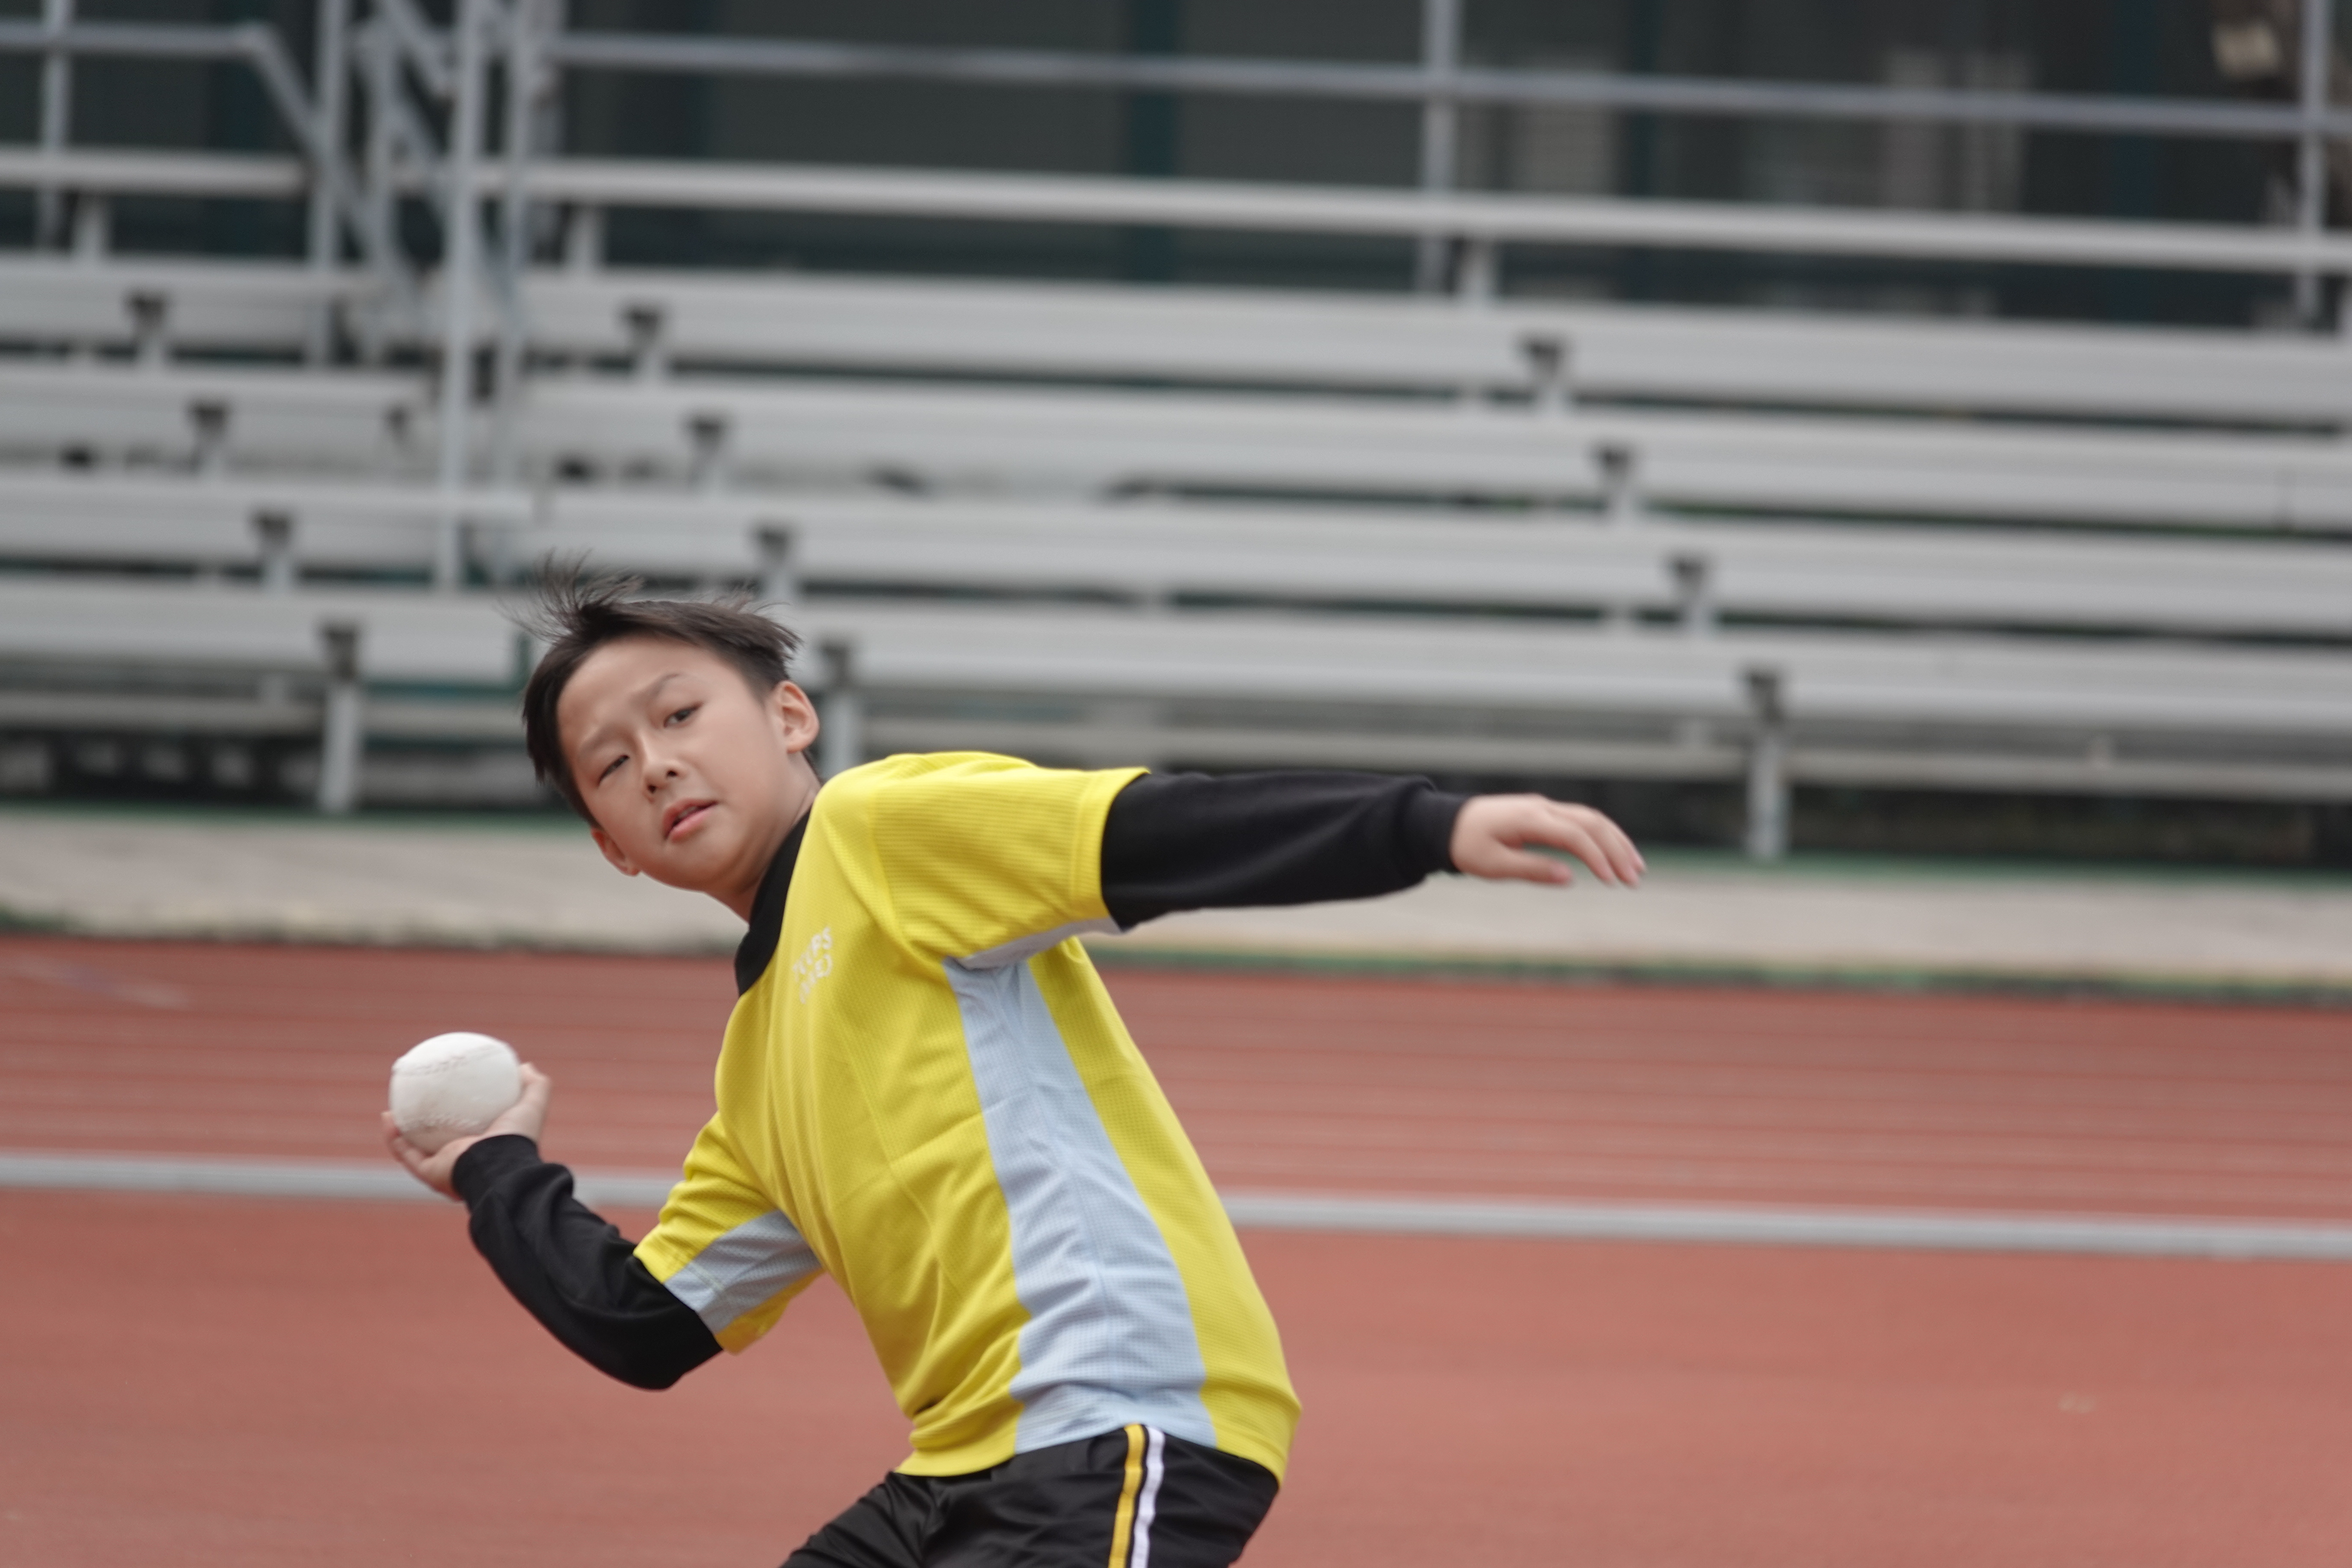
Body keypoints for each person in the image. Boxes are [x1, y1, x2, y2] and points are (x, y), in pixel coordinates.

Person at [383, 578, 1644, 1568]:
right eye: (610, 764)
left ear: (789, 717)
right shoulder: (759, 1069)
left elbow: (1145, 833)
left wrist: (1425, 826)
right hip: (965, 1467)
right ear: (613, 846)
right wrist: (498, 1171)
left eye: (678, 716)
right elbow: (648, 1324)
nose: (655, 763)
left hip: (1117, 1417)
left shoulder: (880, 832)